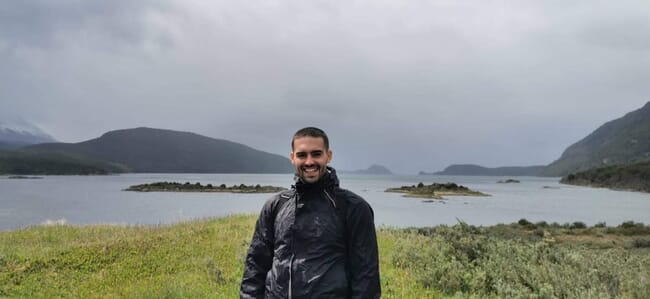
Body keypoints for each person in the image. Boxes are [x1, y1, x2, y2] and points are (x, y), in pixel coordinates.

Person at [240, 127, 381, 299]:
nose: (309, 162)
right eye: (302, 155)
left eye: (316, 154)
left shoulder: (353, 208)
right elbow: (256, 266)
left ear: (328, 156)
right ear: (292, 157)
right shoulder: (276, 205)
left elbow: (366, 277)